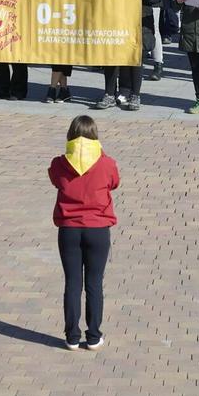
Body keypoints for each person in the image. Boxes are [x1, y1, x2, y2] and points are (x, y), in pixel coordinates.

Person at [49, 115, 119, 352]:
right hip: (98, 229)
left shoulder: (60, 163)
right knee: (94, 283)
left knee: (72, 283)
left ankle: (71, 336)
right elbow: (114, 182)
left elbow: (55, 179)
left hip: (69, 229)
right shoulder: (106, 163)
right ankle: (93, 336)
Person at [92, 0, 161, 111]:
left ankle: (135, 95)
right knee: (111, 57)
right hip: (115, 20)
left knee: (135, 58)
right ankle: (109, 93)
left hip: (138, 21)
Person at [29, 0, 88, 102]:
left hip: (69, 14)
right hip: (49, 13)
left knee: (64, 52)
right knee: (55, 51)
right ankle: (64, 89)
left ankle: (52, 88)